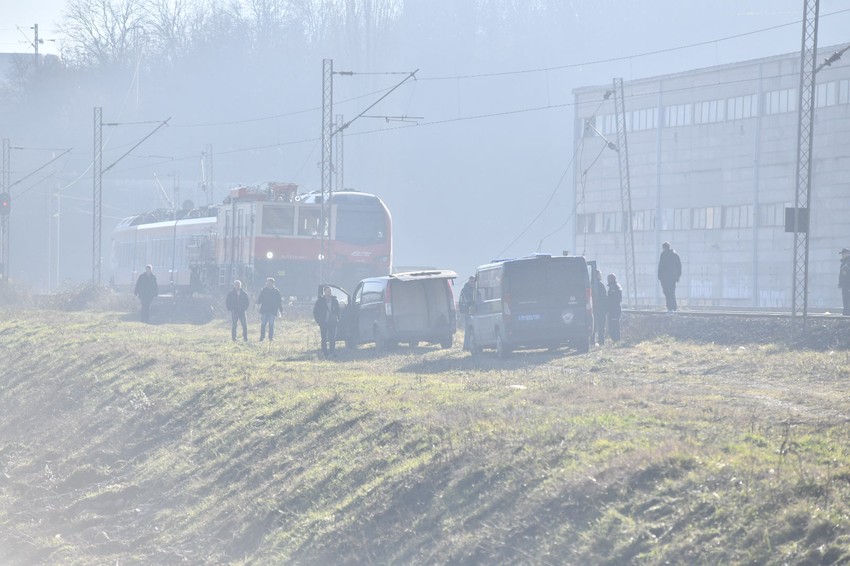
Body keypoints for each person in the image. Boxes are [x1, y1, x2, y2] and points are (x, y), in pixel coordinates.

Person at [313, 286, 340, 358]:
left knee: (332, 338)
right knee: (324, 338)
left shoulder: (334, 300)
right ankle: (325, 353)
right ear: (324, 292)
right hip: (323, 322)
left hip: (333, 322)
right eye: (328, 291)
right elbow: (315, 312)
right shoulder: (320, 301)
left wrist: (337, 319)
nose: (329, 292)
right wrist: (319, 321)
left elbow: (338, 311)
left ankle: (332, 352)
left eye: (330, 291)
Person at [657, 242, 682, 312]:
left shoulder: (663, 254)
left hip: (665, 278)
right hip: (673, 278)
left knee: (667, 293)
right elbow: (679, 266)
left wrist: (659, 276)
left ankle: (670, 308)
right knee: (672, 292)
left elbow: (661, 266)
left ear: (664, 248)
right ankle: (674, 308)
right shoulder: (675, 255)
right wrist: (678, 276)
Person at [256, 277, 283, 341]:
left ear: (272, 283)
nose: (267, 283)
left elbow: (279, 301)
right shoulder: (264, 290)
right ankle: (262, 337)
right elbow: (261, 298)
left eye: (269, 282)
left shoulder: (276, 291)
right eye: (267, 282)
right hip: (264, 310)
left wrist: (281, 309)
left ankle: (270, 338)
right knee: (263, 324)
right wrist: (257, 302)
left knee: (271, 325)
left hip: (273, 311)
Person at [591, 269, 607, 345]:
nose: (601, 276)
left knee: (593, 325)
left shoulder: (590, 284)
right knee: (601, 325)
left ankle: (592, 341)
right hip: (601, 309)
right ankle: (601, 341)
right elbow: (604, 297)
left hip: (593, 308)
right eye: (599, 274)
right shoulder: (600, 285)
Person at [606, 273, 623, 343]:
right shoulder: (613, 287)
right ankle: (615, 339)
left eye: (609, 279)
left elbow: (615, 299)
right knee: (613, 324)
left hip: (614, 309)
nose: (607, 280)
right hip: (613, 309)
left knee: (615, 325)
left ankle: (616, 340)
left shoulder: (615, 287)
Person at [840, 248, 850, 316]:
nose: (842, 255)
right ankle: (846, 311)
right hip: (845, 284)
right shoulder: (844, 262)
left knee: (847, 298)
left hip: (848, 284)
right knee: (845, 298)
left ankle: (847, 311)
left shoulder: (848, 262)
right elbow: (841, 274)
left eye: (843, 254)